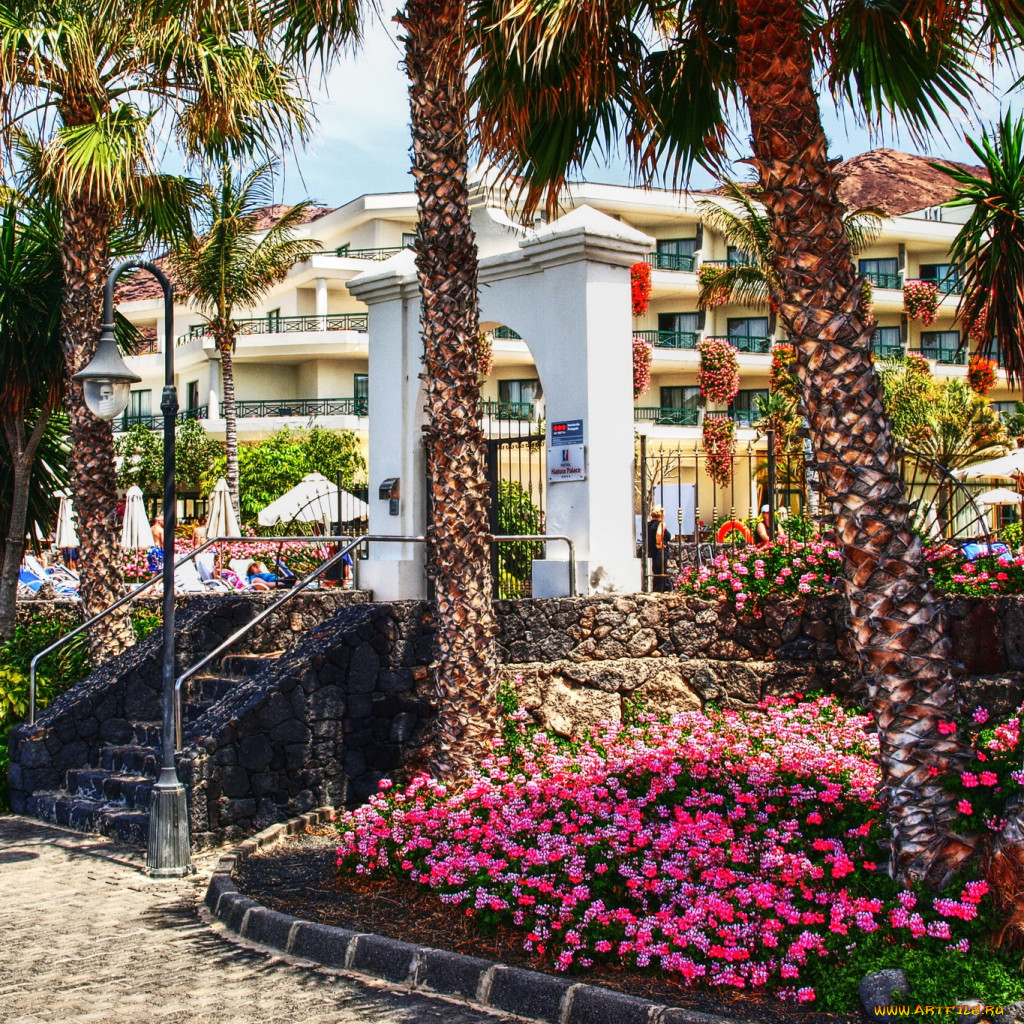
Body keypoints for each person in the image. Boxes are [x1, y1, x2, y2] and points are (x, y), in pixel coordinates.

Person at [646, 505, 673, 592]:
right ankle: (658, 592)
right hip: (660, 551)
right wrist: (659, 543)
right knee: (661, 573)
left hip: (652, 551)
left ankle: (668, 589)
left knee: (659, 572)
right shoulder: (661, 524)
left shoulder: (648, 525)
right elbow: (659, 534)